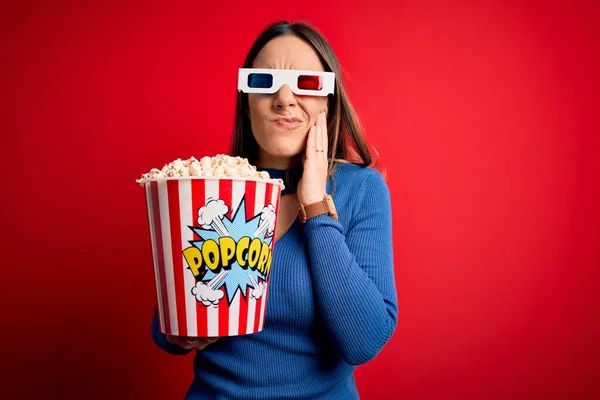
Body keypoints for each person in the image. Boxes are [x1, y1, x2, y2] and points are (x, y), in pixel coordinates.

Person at [151, 20, 398, 399]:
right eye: (263, 82)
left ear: (327, 102)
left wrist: (315, 205)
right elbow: (166, 322)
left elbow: (363, 340)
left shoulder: (361, 191)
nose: (284, 98)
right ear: (247, 103)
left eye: (307, 83)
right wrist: (179, 333)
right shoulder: (211, 185)